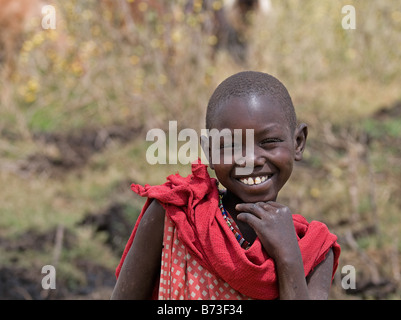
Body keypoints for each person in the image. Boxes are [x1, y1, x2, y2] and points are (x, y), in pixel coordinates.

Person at [111, 71, 341, 300]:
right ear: (209, 151)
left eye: (269, 142)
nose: (250, 159)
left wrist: (288, 257)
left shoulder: (313, 248)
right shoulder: (176, 217)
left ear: (298, 143)